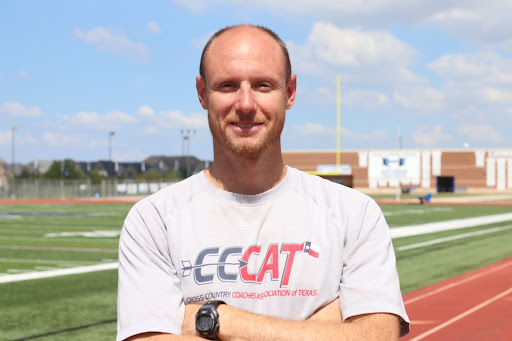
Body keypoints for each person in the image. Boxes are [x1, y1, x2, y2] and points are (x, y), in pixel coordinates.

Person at [117, 24, 410, 341]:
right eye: (228, 86)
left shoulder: (354, 213)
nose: (245, 104)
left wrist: (218, 320)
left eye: (263, 85)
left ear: (290, 92)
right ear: (202, 93)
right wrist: (325, 329)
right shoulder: (153, 220)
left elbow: (377, 336)